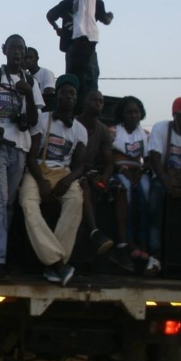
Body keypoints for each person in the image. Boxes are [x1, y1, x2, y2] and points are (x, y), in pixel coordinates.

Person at [0, 34, 44, 279]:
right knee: (1, 200)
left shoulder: (30, 81)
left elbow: (34, 121)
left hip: (20, 148)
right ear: (4, 50)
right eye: (13, 47)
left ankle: (1, 253)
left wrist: (29, 95)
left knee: (9, 203)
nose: (17, 52)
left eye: (21, 49)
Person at [18, 74, 87, 286]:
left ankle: (54, 264)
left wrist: (68, 181)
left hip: (63, 174)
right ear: (57, 95)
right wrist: (41, 183)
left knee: (76, 201)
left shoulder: (80, 130)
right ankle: (58, 264)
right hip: (39, 170)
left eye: (73, 94)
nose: (69, 97)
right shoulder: (42, 118)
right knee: (27, 202)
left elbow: (80, 165)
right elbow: (31, 157)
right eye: (65, 93)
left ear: (76, 99)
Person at [41, 0, 101, 113]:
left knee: (84, 80)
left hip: (86, 38)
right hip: (76, 41)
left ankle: (85, 110)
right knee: (73, 78)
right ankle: (73, 111)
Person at [147, 97, 181, 275]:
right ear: (174, 115)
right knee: (154, 202)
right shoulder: (161, 128)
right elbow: (155, 158)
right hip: (162, 179)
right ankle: (154, 256)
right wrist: (168, 184)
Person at [109, 96, 151, 271]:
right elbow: (109, 157)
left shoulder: (146, 135)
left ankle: (143, 243)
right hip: (119, 171)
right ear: (122, 115)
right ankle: (129, 242)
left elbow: (149, 159)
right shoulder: (113, 132)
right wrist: (123, 171)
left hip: (139, 172)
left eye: (136, 112)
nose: (133, 115)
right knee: (126, 193)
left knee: (147, 193)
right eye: (129, 112)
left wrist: (140, 172)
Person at [75, 90, 115, 255]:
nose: (98, 103)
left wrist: (105, 177)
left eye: (101, 101)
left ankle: (123, 245)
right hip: (73, 170)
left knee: (117, 190)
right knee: (84, 186)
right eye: (94, 100)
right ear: (85, 103)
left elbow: (109, 162)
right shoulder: (74, 124)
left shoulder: (103, 130)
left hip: (91, 172)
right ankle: (95, 232)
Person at [46, 0, 113, 89]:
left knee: (73, 81)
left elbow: (50, 15)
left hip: (73, 48)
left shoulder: (68, 3)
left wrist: (57, 28)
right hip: (86, 49)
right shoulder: (95, 2)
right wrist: (110, 16)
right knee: (89, 83)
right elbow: (106, 20)